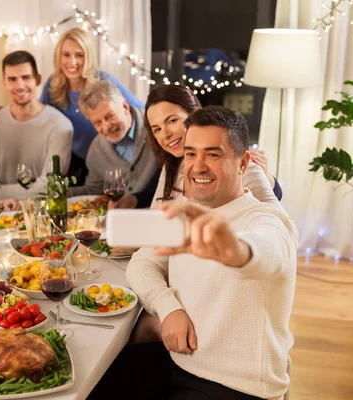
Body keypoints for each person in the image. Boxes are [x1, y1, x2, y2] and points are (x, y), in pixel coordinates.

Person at [91, 106, 298, 399]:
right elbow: (141, 263)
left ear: (243, 163)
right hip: (179, 362)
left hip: (237, 385)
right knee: (92, 381)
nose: (198, 166)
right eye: (191, 154)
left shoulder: (267, 220)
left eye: (213, 155)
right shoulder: (190, 212)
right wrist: (168, 308)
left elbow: (267, 253)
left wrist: (235, 251)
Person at [0, 28, 145, 185]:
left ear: (87, 57)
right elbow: (37, 111)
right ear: (58, 57)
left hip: (102, 157)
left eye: (79, 55)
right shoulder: (53, 85)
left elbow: (143, 111)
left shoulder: (103, 81)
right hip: (72, 161)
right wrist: (5, 109)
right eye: (66, 55)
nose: (72, 62)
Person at [110, 84, 282, 209]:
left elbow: (273, 218)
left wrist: (269, 181)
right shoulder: (171, 165)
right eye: (157, 129)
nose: (165, 134)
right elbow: (158, 218)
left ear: (195, 113)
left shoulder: (232, 161)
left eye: (172, 121)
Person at [0, 51, 73, 200]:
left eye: (26, 77)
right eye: (12, 79)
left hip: (42, 212)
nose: (19, 85)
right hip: (1, 211)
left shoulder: (60, 126)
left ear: (38, 79)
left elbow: (49, 185)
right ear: (4, 84)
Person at [68, 81, 158, 197]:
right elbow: (94, 190)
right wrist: (65, 193)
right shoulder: (96, 150)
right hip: (119, 214)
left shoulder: (155, 127)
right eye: (97, 122)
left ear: (125, 106)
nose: (106, 127)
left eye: (110, 116)